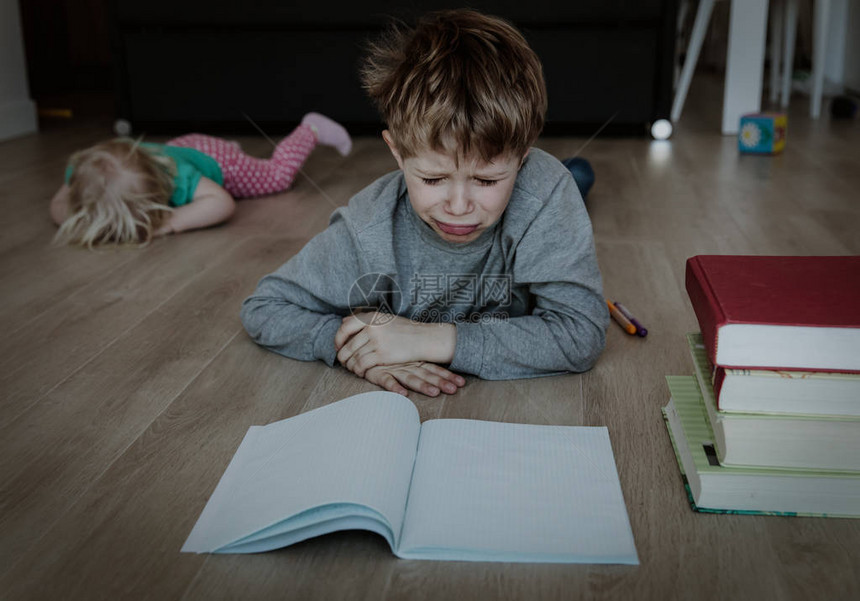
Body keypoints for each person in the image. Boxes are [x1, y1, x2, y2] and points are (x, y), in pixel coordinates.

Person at [240, 9, 608, 397]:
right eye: (433, 179)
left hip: (543, 188)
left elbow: (580, 334)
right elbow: (265, 307)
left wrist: (430, 340)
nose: (459, 205)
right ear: (397, 153)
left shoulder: (543, 192)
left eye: (486, 179)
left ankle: (570, 179)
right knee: (565, 183)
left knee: (570, 180)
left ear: (522, 157)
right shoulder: (369, 227)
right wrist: (362, 348)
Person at [50, 112, 352, 248]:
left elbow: (221, 203)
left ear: (161, 191)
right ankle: (227, 147)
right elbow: (58, 205)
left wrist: (168, 223)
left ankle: (309, 129)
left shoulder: (179, 178)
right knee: (196, 159)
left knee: (276, 177)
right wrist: (81, 216)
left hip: (219, 165)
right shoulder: (83, 174)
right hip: (184, 148)